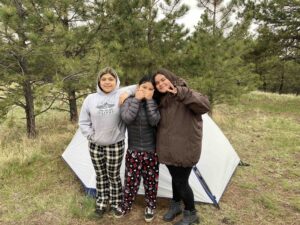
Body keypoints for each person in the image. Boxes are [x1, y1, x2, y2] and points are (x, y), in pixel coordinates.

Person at [152, 68, 210, 225]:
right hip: (169, 148)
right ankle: (176, 205)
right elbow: (140, 87)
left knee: (181, 182)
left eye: (163, 79)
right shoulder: (162, 99)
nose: (161, 84)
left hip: (185, 148)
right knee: (176, 179)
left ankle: (191, 213)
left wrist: (180, 92)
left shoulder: (185, 93)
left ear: (171, 78)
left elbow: (204, 106)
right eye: (157, 83)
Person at [78, 67, 136, 217]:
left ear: (116, 81)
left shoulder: (120, 94)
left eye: (111, 79)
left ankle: (117, 202)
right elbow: (83, 122)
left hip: (115, 144)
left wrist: (127, 93)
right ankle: (102, 203)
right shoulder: (90, 99)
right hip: (95, 145)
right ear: (99, 81)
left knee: (113, 175)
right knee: (100, 175)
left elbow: (139, 86)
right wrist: (91, 136)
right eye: (103, 79)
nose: (107, 82)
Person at [114, 75, 160, 223]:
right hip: (133, 150)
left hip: (151, 151)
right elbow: (127, 118)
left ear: (154, 91)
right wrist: (136, 100)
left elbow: (154, 121)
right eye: (143, 87)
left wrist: (150, 101)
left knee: (151, 181)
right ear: (137, 87)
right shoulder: (127, 101)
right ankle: (126, 205)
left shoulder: (155, 103)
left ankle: (151, 206)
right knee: (130, 181)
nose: (146, 91)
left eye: (150, 89)